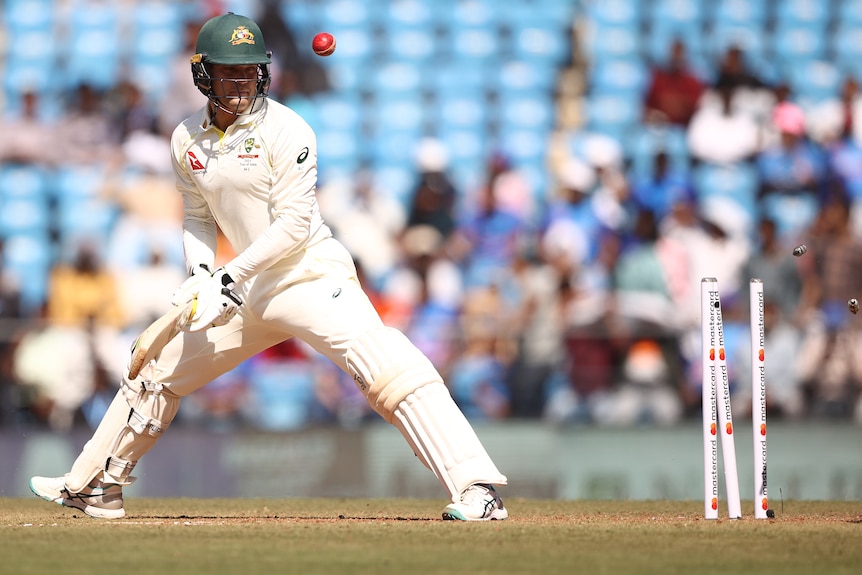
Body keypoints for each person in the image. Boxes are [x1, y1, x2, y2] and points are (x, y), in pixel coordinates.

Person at [28, 13, 507, 522]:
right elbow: (195, 216)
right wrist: (202, 274)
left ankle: (477, 488)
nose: (239, 83)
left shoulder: (288, 130)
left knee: (384, 365)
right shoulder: (185, 139)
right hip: (244, 289)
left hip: (307, 276)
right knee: (157, 372)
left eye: (249, 71)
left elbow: (293, 227)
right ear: (202, 74)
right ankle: (98, 486)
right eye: (228, 72)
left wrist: (227, 278)